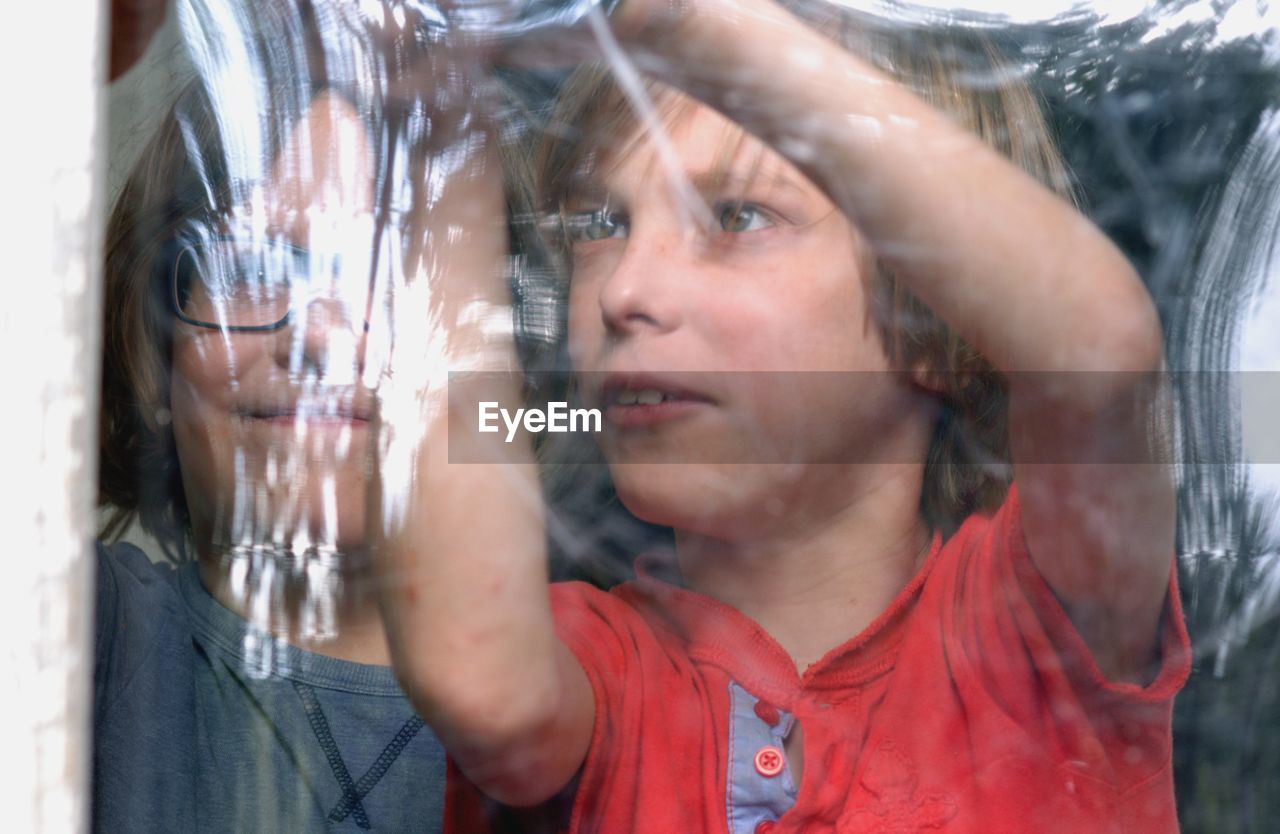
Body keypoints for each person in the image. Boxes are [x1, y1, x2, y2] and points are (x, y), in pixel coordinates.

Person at [371, 0, 1193, 832]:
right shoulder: (594, 670)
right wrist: (439, 137)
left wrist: (687, 20)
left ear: (940, 325)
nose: (624, 292)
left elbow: (1100, 353)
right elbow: (479, 681)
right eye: (600, 225)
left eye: (738, 217)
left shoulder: (1038, 635)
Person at [95, 66, 448, 834]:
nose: (318, 337)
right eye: (251, 269)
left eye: (387, 275)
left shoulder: (631, 700)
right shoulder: (82, 640)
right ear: (153, 356)